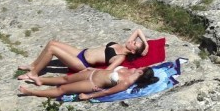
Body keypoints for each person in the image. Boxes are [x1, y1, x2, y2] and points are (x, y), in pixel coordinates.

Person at [17, 28, 149, 85]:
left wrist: (91, 71)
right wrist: (146, 45)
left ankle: (34, 73)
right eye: (134, 41)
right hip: (80, 52)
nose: (133, 41)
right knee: (52, 42)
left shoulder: (120, 57)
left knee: (52, 49)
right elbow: (138, 30)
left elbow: (107, 71)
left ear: (132, 52)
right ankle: (34, 65)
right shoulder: (121, 45)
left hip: (81, 62)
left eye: (135, 44)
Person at [17, 66, 158, 101]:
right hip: (92, 72)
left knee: (63, 88)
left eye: (141, 69)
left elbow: (108, 92)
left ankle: (32, 92)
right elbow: (109, 71)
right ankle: (41, 80)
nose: (139, 68)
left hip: (92, 83)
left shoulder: (126, 82)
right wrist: (93, 69)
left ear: (141, 73)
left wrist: (89, 96)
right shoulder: (129, 71)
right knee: (65, 78)